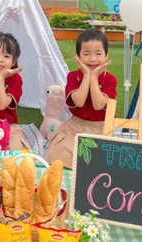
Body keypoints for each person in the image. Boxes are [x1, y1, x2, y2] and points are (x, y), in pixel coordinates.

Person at [45, 29, 117, 168]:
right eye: (86, 54)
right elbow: (78, 101)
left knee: (99, 162)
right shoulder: (73, 76)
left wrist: (94, 77)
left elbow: (98, 105)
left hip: (101, 129)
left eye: (98, 54)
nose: (92, 59)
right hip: (75, 127)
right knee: (61, 154)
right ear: (78, 56)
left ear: (106, 55)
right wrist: (87, 76)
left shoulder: (110, 79)